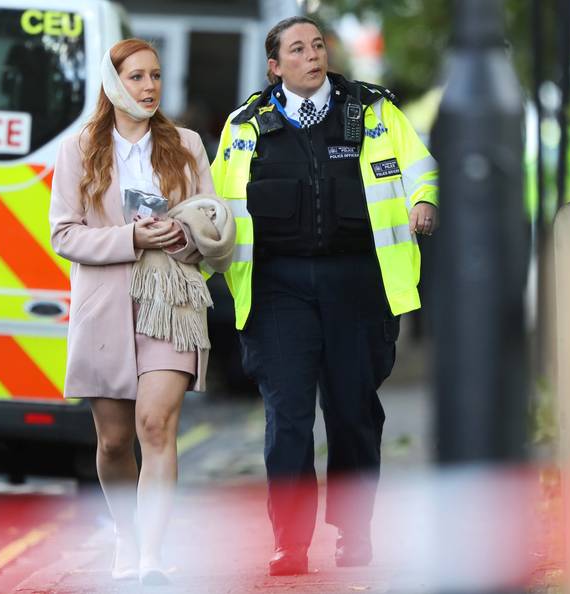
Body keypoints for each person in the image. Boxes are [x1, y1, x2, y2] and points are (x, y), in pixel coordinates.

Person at [211, 17, 439, 576]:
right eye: (298, 48)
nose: (312, 55)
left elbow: (421, 168)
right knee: (286, 417)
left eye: (318, 46)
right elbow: (214, 205)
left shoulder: (375, 112)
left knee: (353, 412)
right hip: (277, 289)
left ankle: (354, 530)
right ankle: (290, 540)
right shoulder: (244, 126)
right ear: (275, 66)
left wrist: (424, 201)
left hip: (357, 283)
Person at [49, 38, 232, 586]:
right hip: (105, 305)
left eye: (155, 76)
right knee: (114, 441)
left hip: (172, 302)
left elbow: (216, 227)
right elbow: (64, 235)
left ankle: (151, 554)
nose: (149, 87)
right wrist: (131, 236)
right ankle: (126, 541)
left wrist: (186, 239)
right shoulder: (80, 148)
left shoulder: (187, 145)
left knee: (156, 424)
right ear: (113, 82)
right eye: (136, 77)